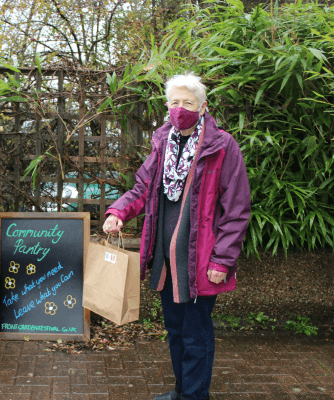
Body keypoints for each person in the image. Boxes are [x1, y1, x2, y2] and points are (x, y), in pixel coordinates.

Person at [103, 73, 250, 400]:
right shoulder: (162, 142)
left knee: (196, 334)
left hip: (200, 262)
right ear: (166, 105)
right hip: (165, 261)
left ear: (203, 107)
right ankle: (183, 391)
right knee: (175, 331)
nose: (180, 109)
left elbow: (236, 208)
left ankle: (194, 397)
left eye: (188, 103)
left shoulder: (222, 146)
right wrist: (118, 212)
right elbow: (142, 188)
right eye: (174, 102)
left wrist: (223, 260)